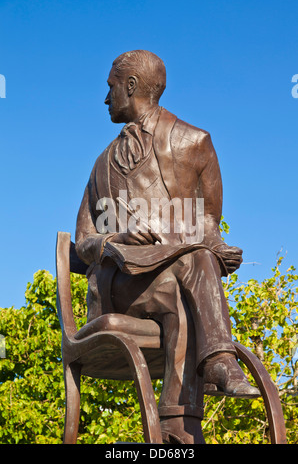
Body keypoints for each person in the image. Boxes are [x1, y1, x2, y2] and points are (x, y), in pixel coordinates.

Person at [75, 50, 259, 444]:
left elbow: (207, 226)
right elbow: (82, 241)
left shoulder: (194, 143)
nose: (105, 98)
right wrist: (114, 239)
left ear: (131, 86)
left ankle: (177, 431)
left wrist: (219, 248)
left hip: (174, 282)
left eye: (110, 88)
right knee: (194, 263)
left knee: (188, 278)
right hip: (121, 285)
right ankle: (219, 360)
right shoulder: (102, 164)